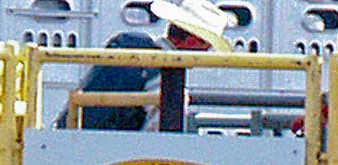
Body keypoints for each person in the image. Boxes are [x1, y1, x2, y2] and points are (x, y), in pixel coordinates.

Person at [53, 0, 231, 131]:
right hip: (112, 154)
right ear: (193, 41)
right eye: (207, 46)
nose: (206, 53)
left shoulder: (125, 44)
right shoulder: (167, 79)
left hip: (67, 137)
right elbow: (157, 135)